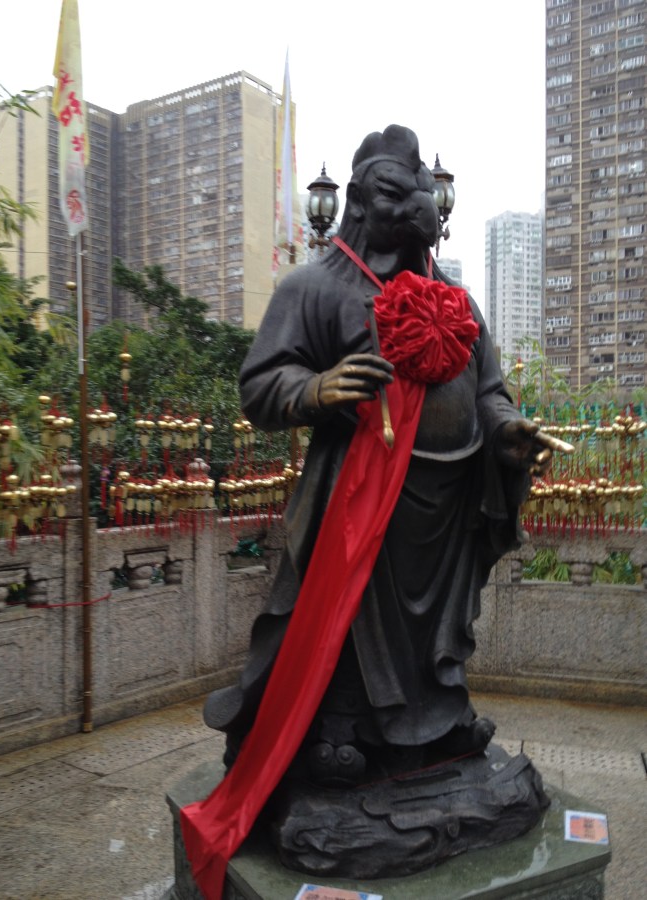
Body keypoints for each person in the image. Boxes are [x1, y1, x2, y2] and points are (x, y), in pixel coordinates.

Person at [186, 124, 562, 898]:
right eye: (395, 194)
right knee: (349, 616)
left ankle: (438, 726)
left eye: (422, 196)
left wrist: (506, 432)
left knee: (436, 633)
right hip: (360, 501)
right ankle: (340, 736)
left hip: (447, 502)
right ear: (357, 200)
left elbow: (487, 390)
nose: (416, 209)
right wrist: (318, 389)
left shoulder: (455, 299)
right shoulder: (315, 289)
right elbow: (260, 385)